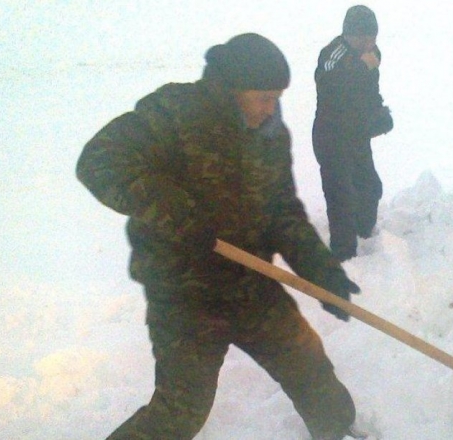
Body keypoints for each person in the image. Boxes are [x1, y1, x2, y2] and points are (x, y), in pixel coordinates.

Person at [76, 33, 363, 440]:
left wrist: (320, 269)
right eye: (263, 97)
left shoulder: (268, 133)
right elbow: (98, 162)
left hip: (250, 283)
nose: (271, 108)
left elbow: (281, 210)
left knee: (310, 367)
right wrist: (175, 212)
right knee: (181, 410)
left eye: (277, 97)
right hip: (184, 293)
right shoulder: (174, 114)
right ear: (231, 90)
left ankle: (340, 432)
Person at [313, 5, 393, 261]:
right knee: (341, 197)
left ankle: (365, 237)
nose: (369, 43)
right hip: (331, 136)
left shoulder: (371, 54)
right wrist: (361, 67)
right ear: (348, 35)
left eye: (373, 37)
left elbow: (369, 91)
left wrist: (379, 113)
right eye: (363, 38)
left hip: (357, 136)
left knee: (370, 187)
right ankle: (343, 256)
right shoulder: (333, 54)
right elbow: (331, 87)